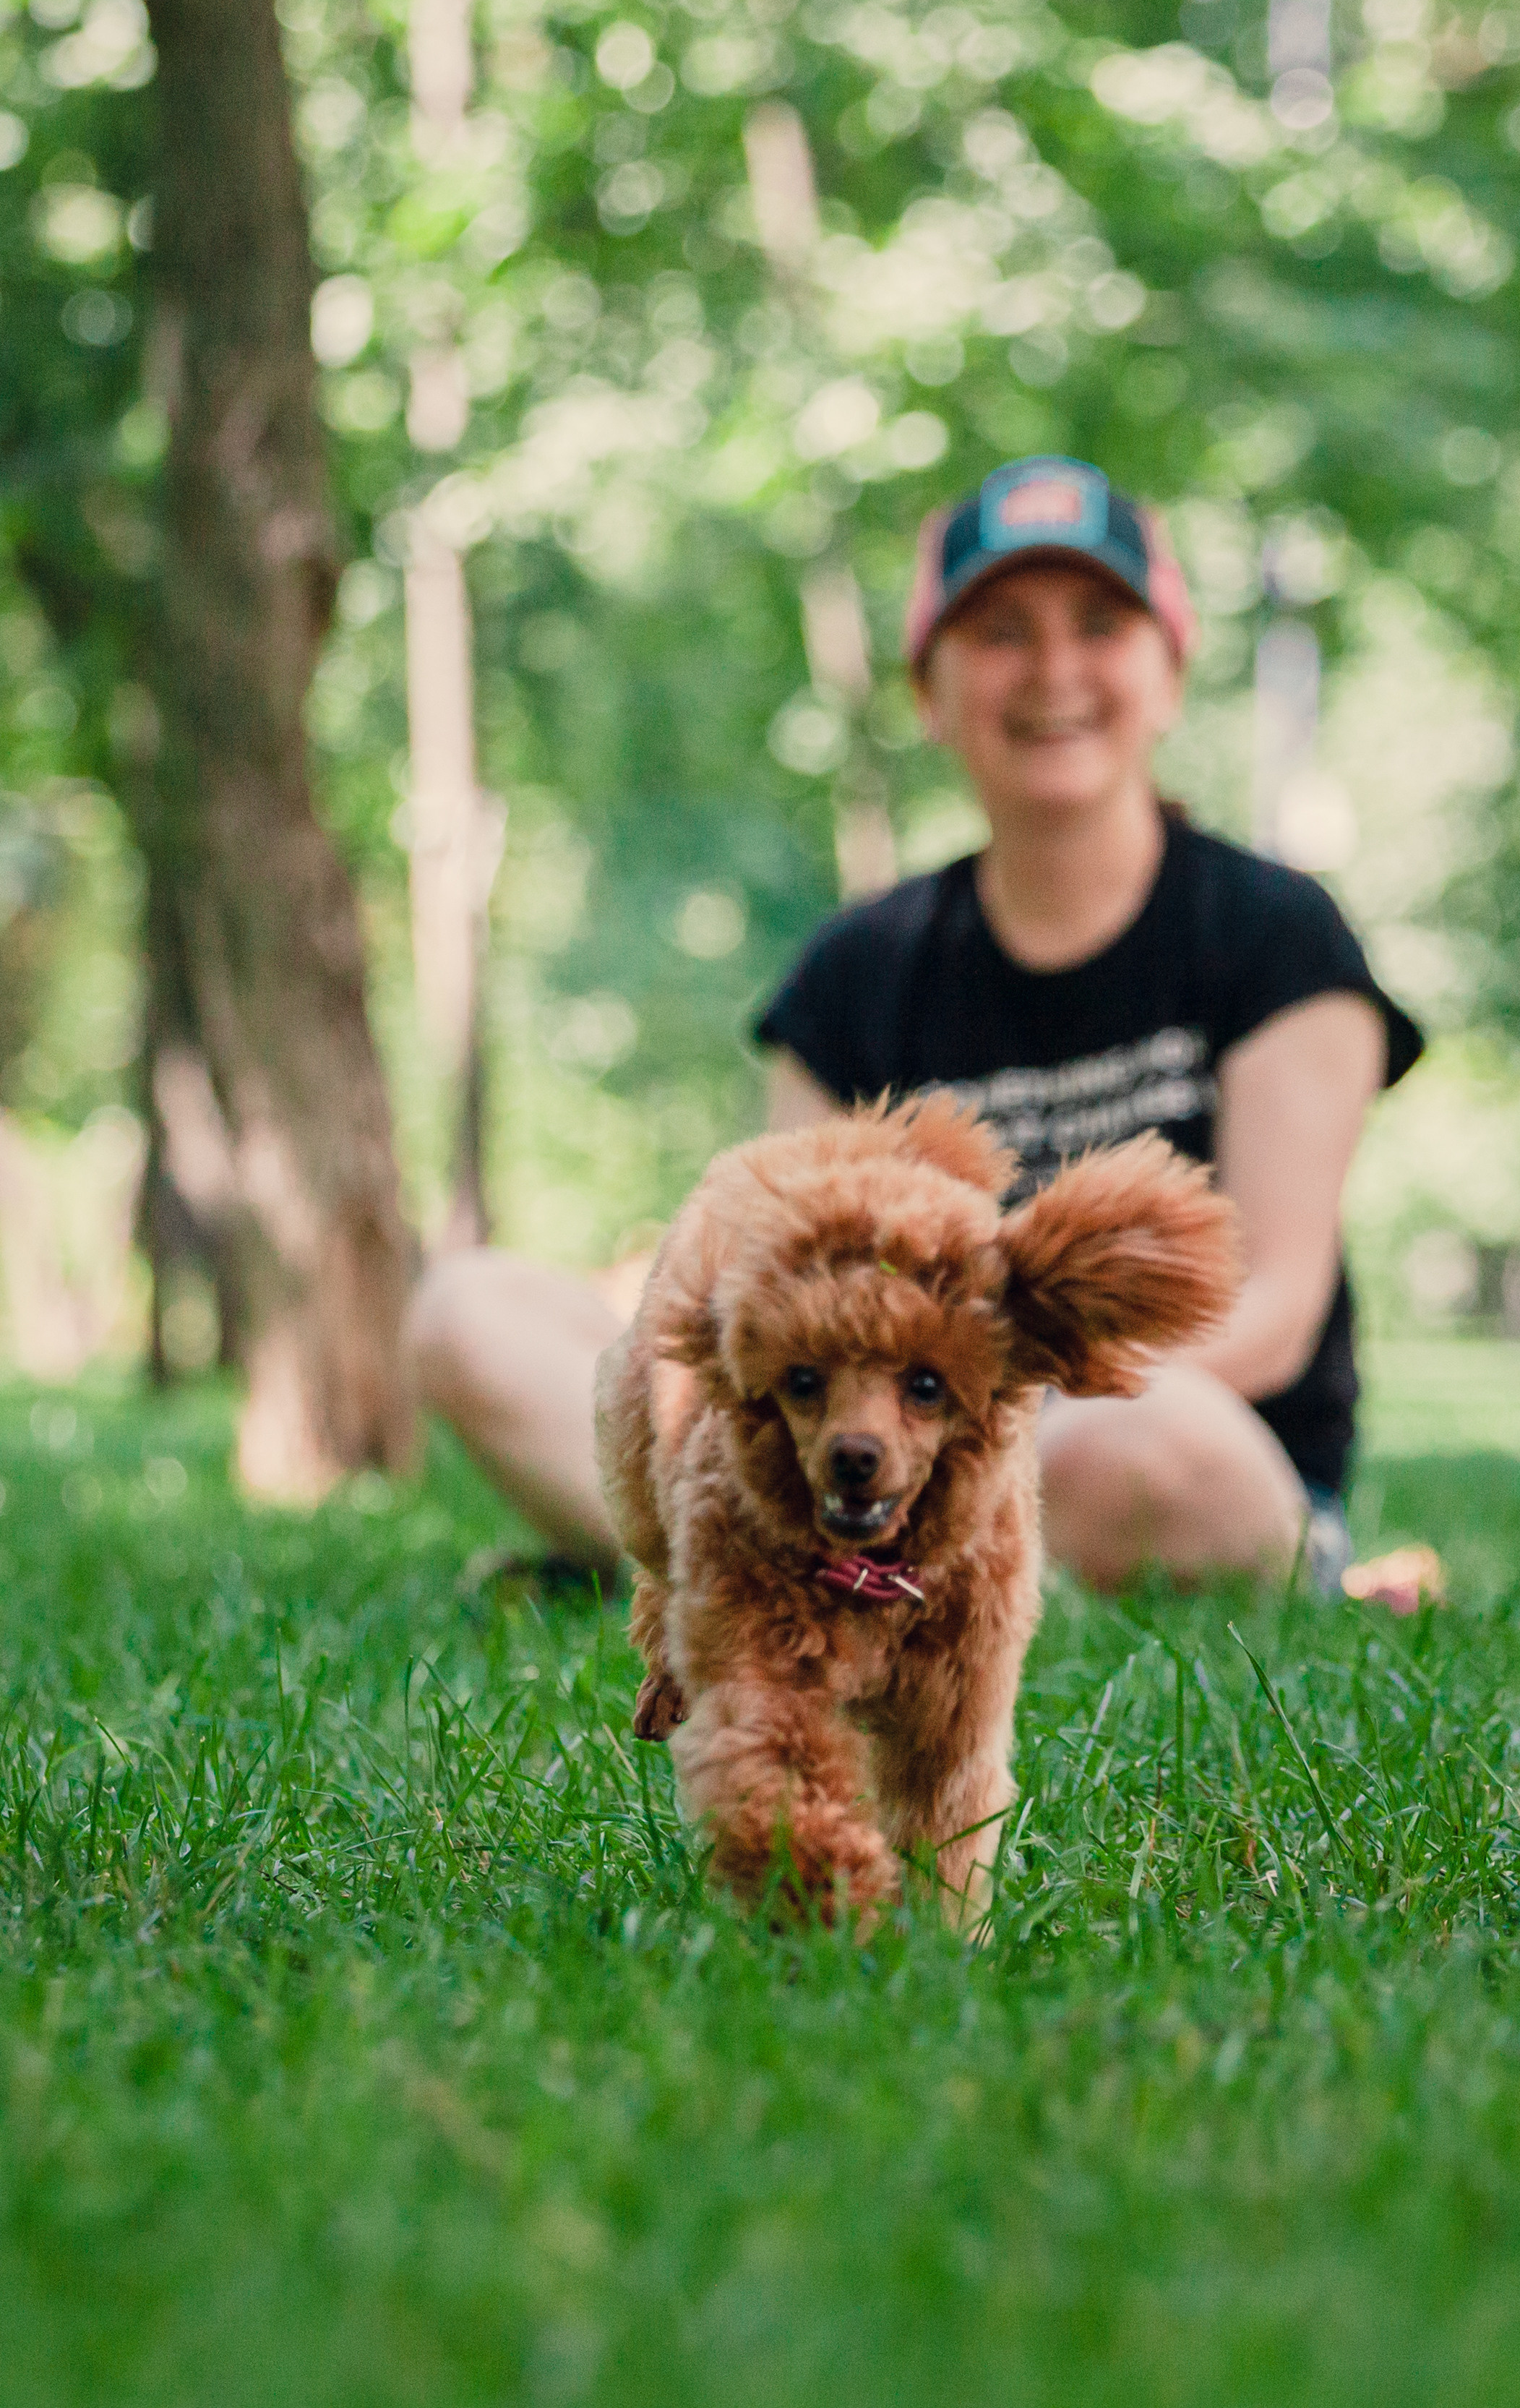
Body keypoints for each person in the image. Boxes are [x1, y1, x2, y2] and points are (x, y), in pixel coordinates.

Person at [407, 453, 1423, 1596]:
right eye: (999, 631)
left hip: (1167, 1445)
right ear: (929, 691)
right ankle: (778, 1556)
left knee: (1124, 1439)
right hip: (870, 1444)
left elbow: (1273, 1310)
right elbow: (764, 1271)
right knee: (467, 1310)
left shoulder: (1274, 933)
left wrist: (983, 1398)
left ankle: (722, 1563)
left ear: (1168, 672)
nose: (1052, 670)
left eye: (1098, 623)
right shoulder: (857, 970)